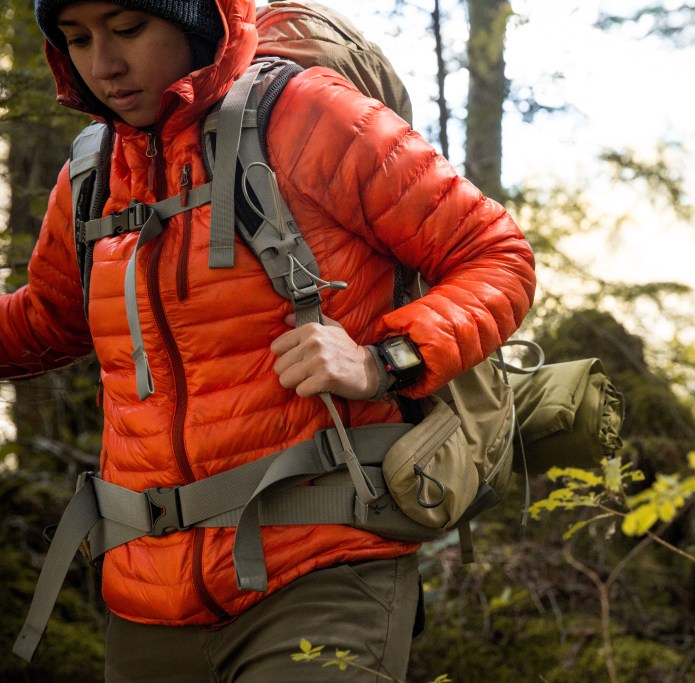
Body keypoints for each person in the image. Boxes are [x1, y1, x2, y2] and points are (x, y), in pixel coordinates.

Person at [3, 0, 536, 680]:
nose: (104, 63)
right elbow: (46, 322)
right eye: (77, 40)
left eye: (129, 29)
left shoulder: (310, 115)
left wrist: (385, 361)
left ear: (194, 18)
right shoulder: (92, 173)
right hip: (145, 605)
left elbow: (496, 255)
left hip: (320, 570)